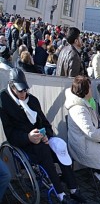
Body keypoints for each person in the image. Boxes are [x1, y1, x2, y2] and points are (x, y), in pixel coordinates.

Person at [0, 69, 84, 203]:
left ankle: (73, 188)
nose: (23, 93)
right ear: (11, 86)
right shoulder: (3, 101)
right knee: (43, 149)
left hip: (40, 138)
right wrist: (28, 137)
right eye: (20, 91)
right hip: (24, 143)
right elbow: (10, 133)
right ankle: (60, 194)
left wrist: (47, 135)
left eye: (25, 90)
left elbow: (44, 123)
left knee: (61, 147)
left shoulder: (32, 100)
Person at [64, 75, 100, 199]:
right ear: (84, 91)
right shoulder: (78, 109)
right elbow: (92, 134)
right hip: (83, 144)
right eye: (90, 88)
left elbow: (97, 120)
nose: (92, 90)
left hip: (91, 139)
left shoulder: (84, 103)